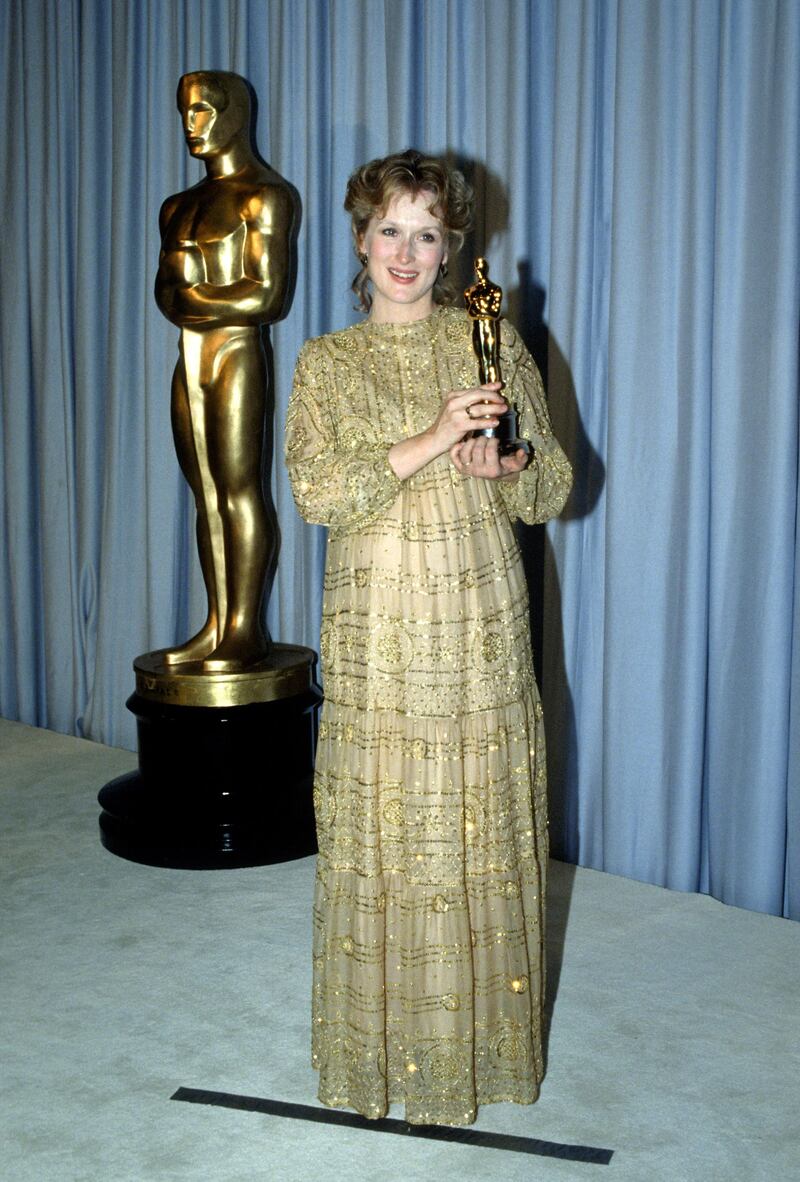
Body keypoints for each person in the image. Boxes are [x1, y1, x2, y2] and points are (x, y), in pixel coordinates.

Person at [285, 149, 572, 1127]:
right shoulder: (324, 363)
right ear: (359, 238)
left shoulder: (489, 340)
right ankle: (385, 1058)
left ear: (451, 248)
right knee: (388, 829)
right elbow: (322, 491)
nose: (405, 253)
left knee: (475, 828)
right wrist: (434, 436)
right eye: (389, 231)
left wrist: (506, 463)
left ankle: (480, 1060)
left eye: (426, 234)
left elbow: (553, 485)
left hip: (479, 619)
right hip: (379, 631)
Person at [155, 71, 298, 671]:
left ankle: (245, 628)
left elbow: (264, 298)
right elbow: (165, 295)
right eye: (185, 113)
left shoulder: (263, 196)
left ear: (234, 114)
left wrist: (196, 298)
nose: (191, 126)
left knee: (239, 488)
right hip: (191, 357)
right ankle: (216, 622)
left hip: (237, 352)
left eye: (203, 112)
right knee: (203, 493)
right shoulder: (178, 206)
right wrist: (205, 296)